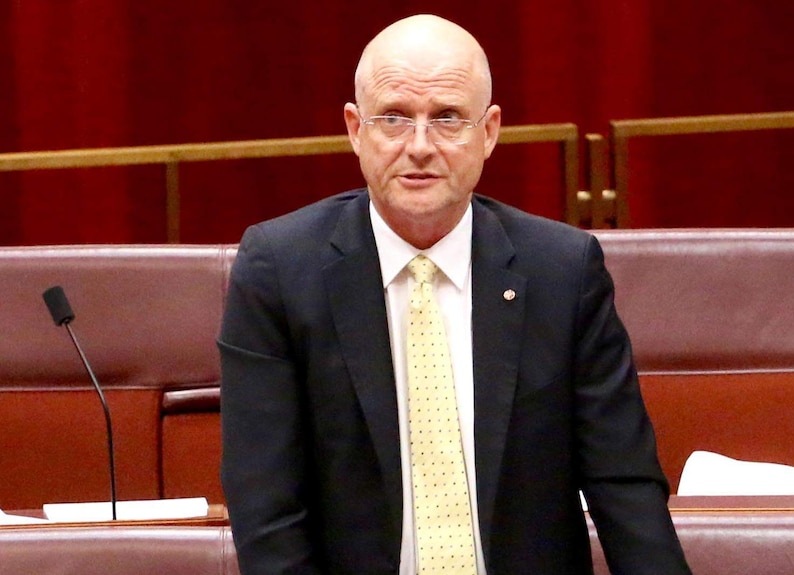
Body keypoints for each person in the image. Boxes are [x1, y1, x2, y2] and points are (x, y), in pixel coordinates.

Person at [219, 13, 691, 575]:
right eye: (394, 118)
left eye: (447, 119)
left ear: (488, 132)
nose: (419, 146)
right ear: (354, 129)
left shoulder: (562, 271)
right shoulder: (279, 271)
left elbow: (625, 488)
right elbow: (266, 511)